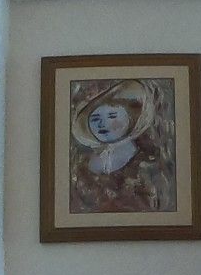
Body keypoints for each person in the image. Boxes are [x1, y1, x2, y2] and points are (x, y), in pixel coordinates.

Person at [69, 78, 173, 215]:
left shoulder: (146, 163)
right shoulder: (83, 164)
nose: (102, 124)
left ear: (132, 120)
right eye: (95, 119)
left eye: (112, 116)